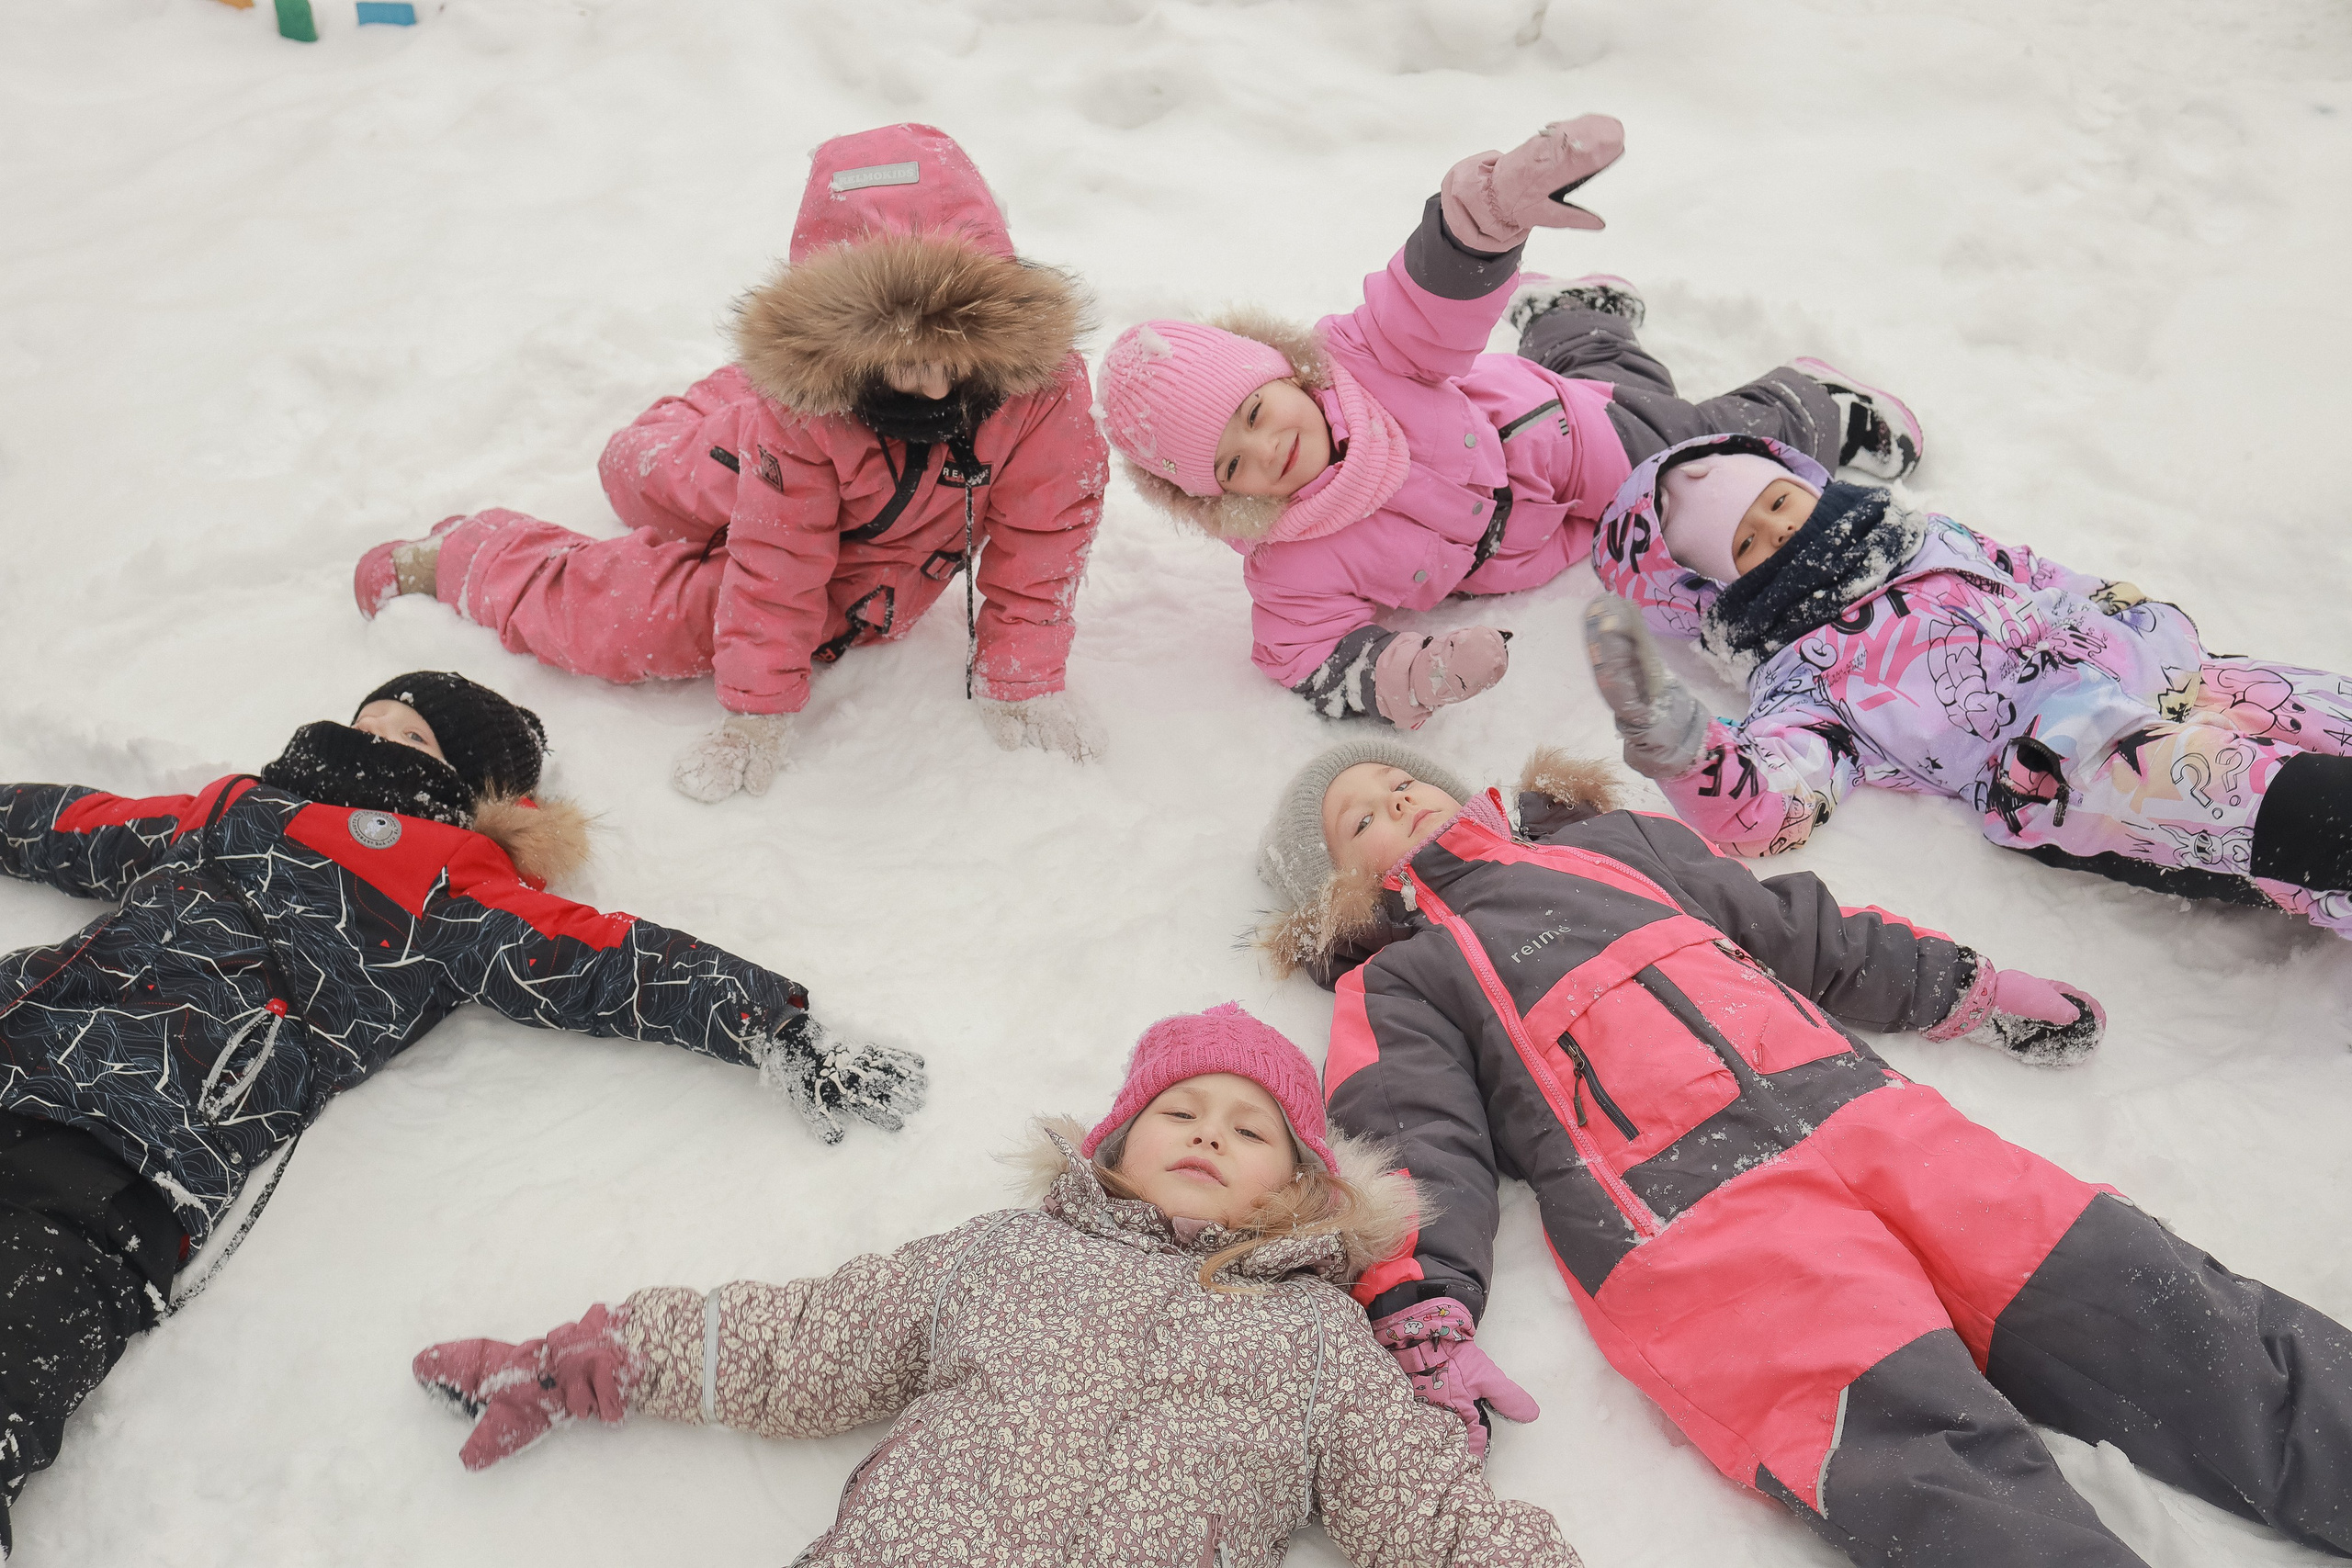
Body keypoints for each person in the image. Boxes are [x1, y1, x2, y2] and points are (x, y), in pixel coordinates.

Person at [1254, 735, 2352, 1567]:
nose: (1391, 797)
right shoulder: (1397, 979)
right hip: (1689, 1230)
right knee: (1916, 1453)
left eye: (1398, 781)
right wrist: (1417, 1297)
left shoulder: (1615, 847)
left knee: (2145, 1299)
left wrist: (1955, 988)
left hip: (1871, 1121)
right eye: (1356, 820)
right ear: (1338, 892)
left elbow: (1793, 930)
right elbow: (1411, 1139)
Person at [0, 671, 924, 1551]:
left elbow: (605, 959)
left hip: (130, 1150)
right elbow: (72, 825)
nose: (375, 742)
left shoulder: (447, 878)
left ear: (471, 791)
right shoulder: (231, 810)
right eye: (369, 721)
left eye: (413, 738)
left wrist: (774, 1023)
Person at [411, 1004, 1579, 1568]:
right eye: (1179, 1110)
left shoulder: (1320, 1335)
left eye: (1249, 1129)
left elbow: (1417, 1505)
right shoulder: (1007, 1251)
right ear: (1114, 1143)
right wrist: (599, 1354)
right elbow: (813, 1338)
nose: (1209, 1135)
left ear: (1304, 1183)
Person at [355, 123, 1108, 801]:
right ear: (838, 350)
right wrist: (760, 713)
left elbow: (1046, 539)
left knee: (659, 618)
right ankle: (474, 555)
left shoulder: (1043, 392)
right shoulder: (810, 411)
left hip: (850, 527)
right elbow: (777, 566)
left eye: (956, 354)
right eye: (902, 363)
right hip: (750, 457)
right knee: (634, 471)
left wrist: (1022, 680)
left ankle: (499, 548)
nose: (936, 385)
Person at [1094, 115, 1922, 730]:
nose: (1266, 448)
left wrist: (1483, 219)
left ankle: (1811, 404)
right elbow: (1304, 654)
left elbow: (1425, 299)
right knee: (1615, 383)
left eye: (1251, 411)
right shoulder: (1289, 563)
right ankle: (1573, 317)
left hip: (1558, 439)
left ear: (1278, 369)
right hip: (1533, 541)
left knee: (1691, 457)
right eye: (1230, 466)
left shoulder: (1363, 358)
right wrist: (1415, 674)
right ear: (1211, 499)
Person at [1583, 432, 2352, 936]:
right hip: (2078, 765)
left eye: (1778, 502)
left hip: (2168, 669)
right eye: (1746, 541)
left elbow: (2031, 570)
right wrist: (1684, 746)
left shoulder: (1924, 535)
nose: (1782, 532)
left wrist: (2118, 608)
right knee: (2274, 804)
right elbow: (1768, 804)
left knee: (2321, 707)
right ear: (1710, 591)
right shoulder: (1801, 679)